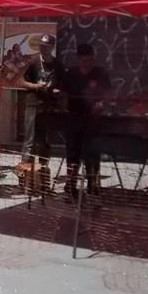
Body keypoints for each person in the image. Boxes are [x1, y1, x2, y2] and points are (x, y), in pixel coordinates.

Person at [63, 43, 111, 197]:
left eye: (89, 60)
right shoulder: (70, 74)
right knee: (72, 154)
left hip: (93, 120)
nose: (86, 63)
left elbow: (108, 94)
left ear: (93, 58)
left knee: (93, 154)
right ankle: (70, 185)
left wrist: (102, 103)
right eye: (84, 60)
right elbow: (63, 93)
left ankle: (93, 185)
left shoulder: (101, 73)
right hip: (74, 118)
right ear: (78, 59)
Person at [18, 34, 64, 165]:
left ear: (52, 47)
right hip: (33, 104)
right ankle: (27, 169)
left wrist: (58, 91)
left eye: (46, 46)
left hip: (49, 106)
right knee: (30, 139)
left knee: (45, 140)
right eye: (41, 46)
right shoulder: (33, 62)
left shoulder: (58, 65)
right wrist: (36, 86)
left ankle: (43, 169)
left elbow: (63, 86)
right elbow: (21, 82)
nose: (43, 49)